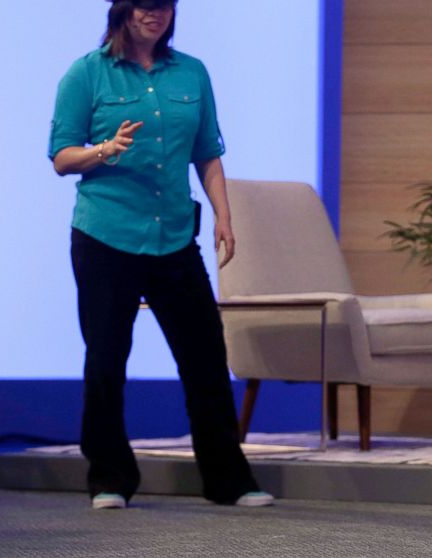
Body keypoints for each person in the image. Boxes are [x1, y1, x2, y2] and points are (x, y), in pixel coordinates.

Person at [49, 0, 272, 509]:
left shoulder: (192, 72)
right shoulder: (86, 73)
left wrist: (224, 215)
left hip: (173, 236)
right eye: (146, 7)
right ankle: (109, 479)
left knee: (206, 359)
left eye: (165, 7)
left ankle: (228, 480)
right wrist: (104, 149)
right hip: (105, 236)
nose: (156, 15)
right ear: (123, 12)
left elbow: (207, 151)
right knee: (106, 359)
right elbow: (62, 157)